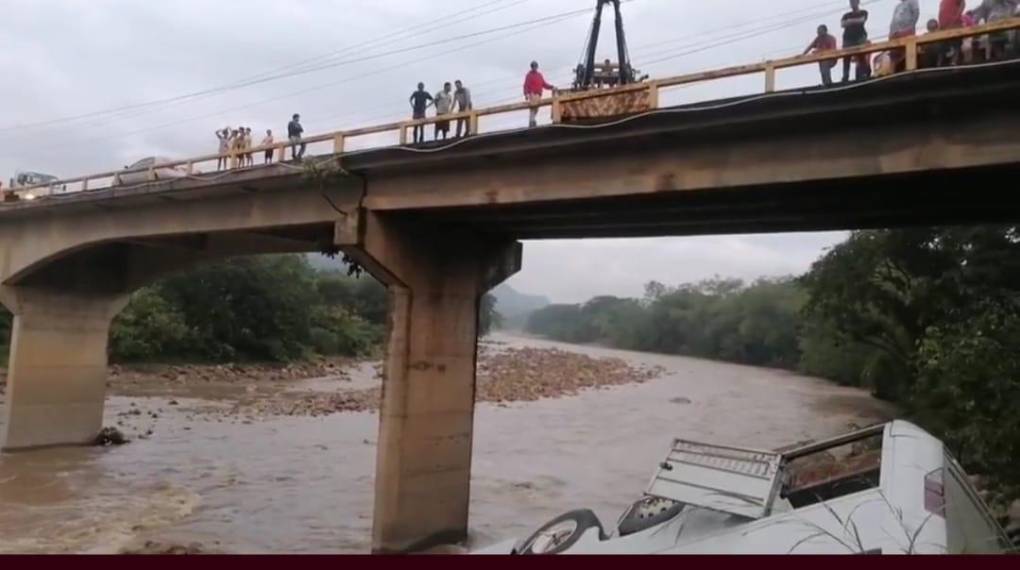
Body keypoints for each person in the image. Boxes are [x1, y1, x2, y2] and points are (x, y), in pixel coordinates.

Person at [841, 0, 871, 82]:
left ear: (858, 2)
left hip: (859, 37)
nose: (852, 4)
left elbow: (862, 20)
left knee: (861, 55)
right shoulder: (846, 15)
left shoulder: (863, 12)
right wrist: (855, 21)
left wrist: (850, 21)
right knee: (846, 57)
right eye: (851, 2)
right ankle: (845, 76)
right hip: (848, 38)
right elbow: (843, 24)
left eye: (854, 2)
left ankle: (864, 74)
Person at [889, 0, 920, 72]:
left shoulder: (913, 1)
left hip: (906, 31)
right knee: (894, 54)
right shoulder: (897, 6)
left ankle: (908, 70)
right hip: (894, 33)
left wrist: (910, 27)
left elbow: (916, 13)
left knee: (906, 53)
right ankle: (893, 72)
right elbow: (894, 20)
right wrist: (891, 32)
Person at [523, 61, 555, 128]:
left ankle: (532, 120)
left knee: (537, 108)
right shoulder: (529, 75)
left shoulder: (539, 75)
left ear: (537, 67)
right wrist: (526, 94)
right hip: (532, 93)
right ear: (531, 67)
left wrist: (551, 87)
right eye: (533, 66)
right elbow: (526, 85)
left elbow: (544, 84)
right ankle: (531, 121)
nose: (534, 67)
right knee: (533, 107)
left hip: (539, 94)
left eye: (535, 66)